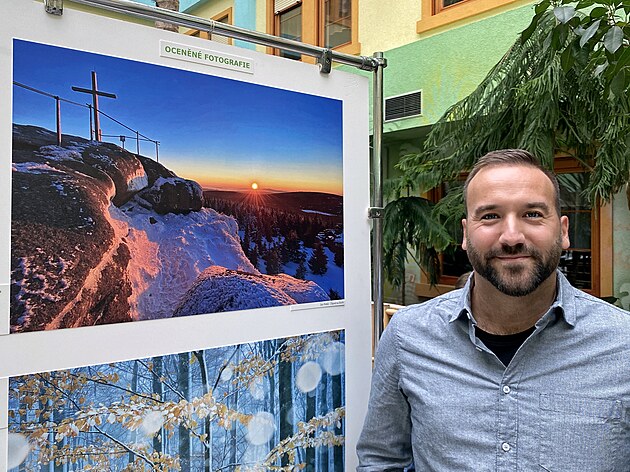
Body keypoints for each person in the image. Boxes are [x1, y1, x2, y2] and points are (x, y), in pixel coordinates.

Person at [356, 149, 630, 471]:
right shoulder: (407, 337)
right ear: (465, 234)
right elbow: (381, 460)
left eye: (532, 214)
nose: (511, 237)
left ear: (564, 231)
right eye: (489, 216)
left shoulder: (623, 344)